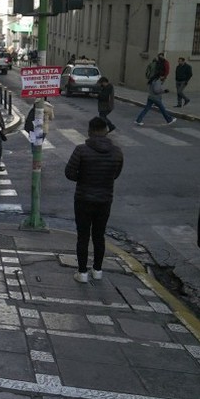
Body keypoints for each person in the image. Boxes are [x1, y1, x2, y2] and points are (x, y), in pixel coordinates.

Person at [64, 117, 124, 283]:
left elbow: (69, 173)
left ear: (90, 131)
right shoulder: (117, 151)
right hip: (105, 199)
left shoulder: (81, 150)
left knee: (83, 236)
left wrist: (83, 178)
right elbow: (116, 174)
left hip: (83, 198)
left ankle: (82, 272)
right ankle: (97, 270)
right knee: (99, 235)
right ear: (106, 131)